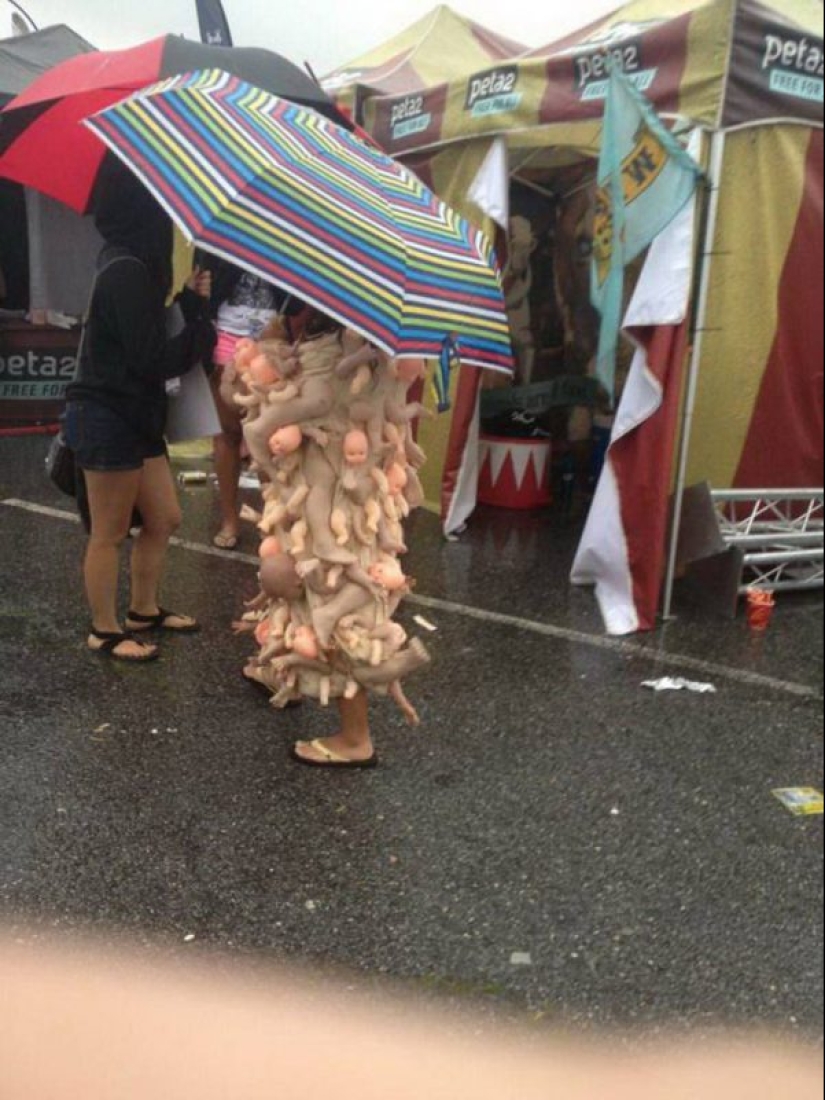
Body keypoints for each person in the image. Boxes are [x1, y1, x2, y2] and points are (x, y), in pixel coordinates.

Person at [64, 158, 216, 663]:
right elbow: (154, 358)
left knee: (165, 516)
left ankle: (143, 611)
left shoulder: (133, 264)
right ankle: (104, 630)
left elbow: (151, 343)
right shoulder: (126, 270)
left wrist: (191, 306)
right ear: (142, 211)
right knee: (108, 533)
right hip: (108, 417)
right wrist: (202, 334)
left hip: (136, 416)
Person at [207, 259, 293, 550]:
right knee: (226, 433)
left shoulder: (291, 238)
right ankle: (229, 519)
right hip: (227, 337)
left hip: (273, 344)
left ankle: (269, 521)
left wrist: (286, 328)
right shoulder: (227, 231)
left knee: (270, 439)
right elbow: (208, 281)